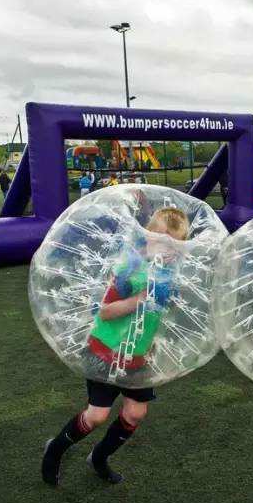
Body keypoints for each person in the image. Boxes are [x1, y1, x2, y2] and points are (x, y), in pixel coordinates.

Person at [41, 207, 190, 487]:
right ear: (148, 238)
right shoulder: (129, 269)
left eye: (175, 245)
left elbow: (157, 317)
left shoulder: (169, 275)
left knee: (136, 412)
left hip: (135, 357)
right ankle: (55, 449)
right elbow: (105, 312)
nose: (168, 250)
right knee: (97, 415)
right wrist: (140, 300)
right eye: (162, 241)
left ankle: (98, 457)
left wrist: (151, 342)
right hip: (106, 351)